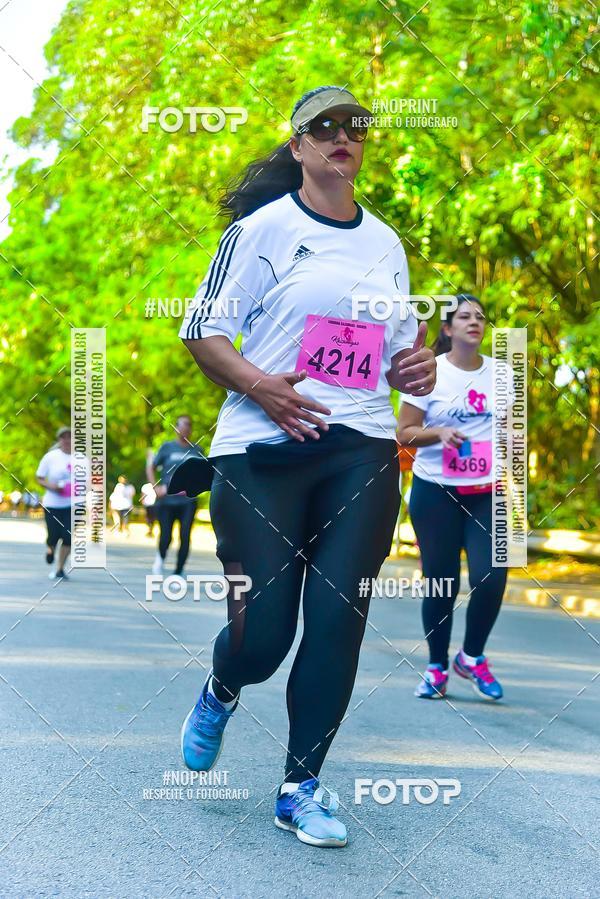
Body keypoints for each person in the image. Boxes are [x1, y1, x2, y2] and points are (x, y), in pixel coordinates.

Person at [177, 85, 436, 847]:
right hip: (263, 451)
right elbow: (202, 333)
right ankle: (224, 685)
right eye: (323, 128)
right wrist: (263, 386)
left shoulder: (386, 244)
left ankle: (300, 786)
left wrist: (414, 370)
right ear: (298, 147)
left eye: (354, 126)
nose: (340, 137)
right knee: (264, 635)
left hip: (358, 448)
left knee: (337, 619)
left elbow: (397, 358)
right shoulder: (263, 231)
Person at [397, 294, 512, 702]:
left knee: (492, 575)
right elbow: (405, 432)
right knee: (440, 583)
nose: (474, 321)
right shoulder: (429, 371)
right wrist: (439, 434)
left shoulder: (503, 373)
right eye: (464, 316)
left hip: (486, 492)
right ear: (447, 329)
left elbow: (510, 437)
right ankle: (436, 667)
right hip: (435, 491)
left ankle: (472, 657)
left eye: (481, 316)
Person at [147, 416, 203, 575]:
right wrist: (155, 487)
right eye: (183, 424)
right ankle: (160, 559)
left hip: (188, 501)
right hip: (167, 500)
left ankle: (179, 571)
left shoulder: (197, 450)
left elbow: (205, 474)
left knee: (185, 536)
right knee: (166, 536)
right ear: (176, 428)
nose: (186, 428)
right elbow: (151, 467)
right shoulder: (167, 447)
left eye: (189, 425)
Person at [35, 427, 76, 580]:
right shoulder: (51, 457)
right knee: (54, 535)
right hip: (52, 503)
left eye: (70, 437)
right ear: (59, 440)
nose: (67, 440)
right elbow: (39, 477)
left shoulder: (81, 459)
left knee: (68, 536)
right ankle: (50, 549)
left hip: (72, 504)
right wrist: (52, 487)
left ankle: (59, 569)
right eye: (64, 437)